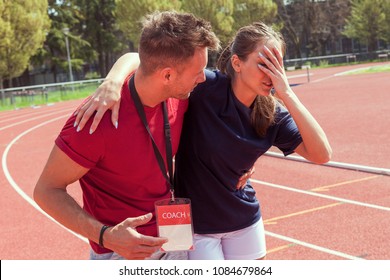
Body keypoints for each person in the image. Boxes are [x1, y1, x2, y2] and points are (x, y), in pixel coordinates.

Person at [75, 22, 332, 260]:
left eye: (278, 64)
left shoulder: (272, 114)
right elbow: (144, 59)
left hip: (244, 220)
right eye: (264, 63)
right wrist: (113, 80)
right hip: (197, 225)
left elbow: (322, 154)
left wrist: (286, 93)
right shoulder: (204, 87)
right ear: (237, 63)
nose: (272, 74)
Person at [33, 11, 220, 260]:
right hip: (121, 254)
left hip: (173, 241)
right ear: (167, 75)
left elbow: (135, 57)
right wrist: (105, 235)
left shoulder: (176, 96)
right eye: (198, 71)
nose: (202, 78)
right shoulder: (96, 121)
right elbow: (46, 190)